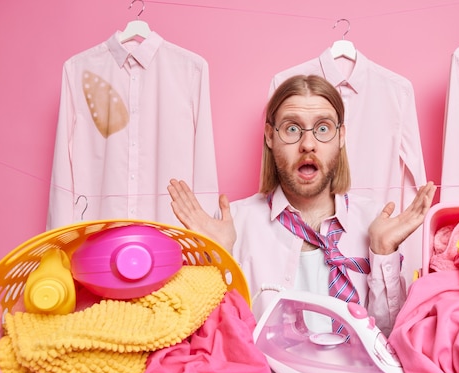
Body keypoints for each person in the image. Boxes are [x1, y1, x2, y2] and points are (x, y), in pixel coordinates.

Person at [168, 74, 436, 335]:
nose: (308, 144)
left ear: (341, 137)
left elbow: (388, 339)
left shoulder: (375, 221)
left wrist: (383, 252)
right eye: (292, 129)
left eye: (322, 129)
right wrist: (217, 259)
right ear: (270, 137)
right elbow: (219, 341)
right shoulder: (235, 224)